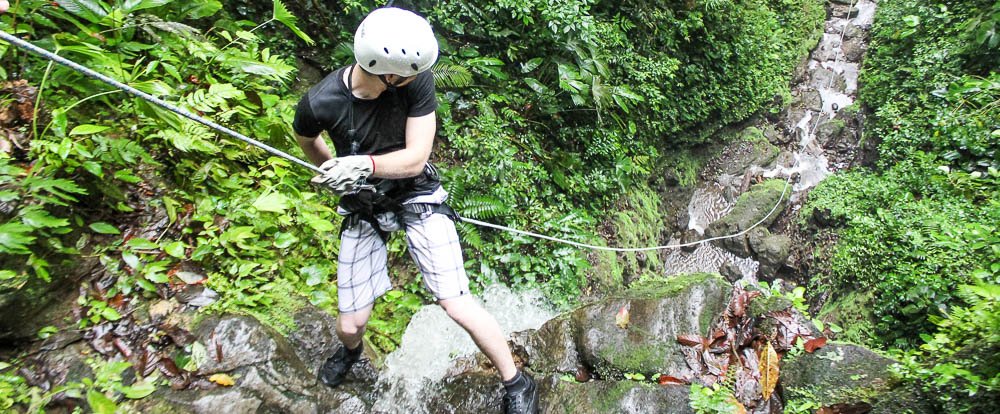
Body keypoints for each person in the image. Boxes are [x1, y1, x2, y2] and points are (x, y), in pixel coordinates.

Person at [292, 7, 538, 414]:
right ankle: (351, 353)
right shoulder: (320, 102)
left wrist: (364, 164)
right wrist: (333, 170)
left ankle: (516, 381)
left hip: (415, 193)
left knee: (455, 302)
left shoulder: (416, 81)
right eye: (405, 75)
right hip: (363, 202)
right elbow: (307, 141)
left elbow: (415, 158)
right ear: (387, 72)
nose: (416, 77)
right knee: (350, 324)